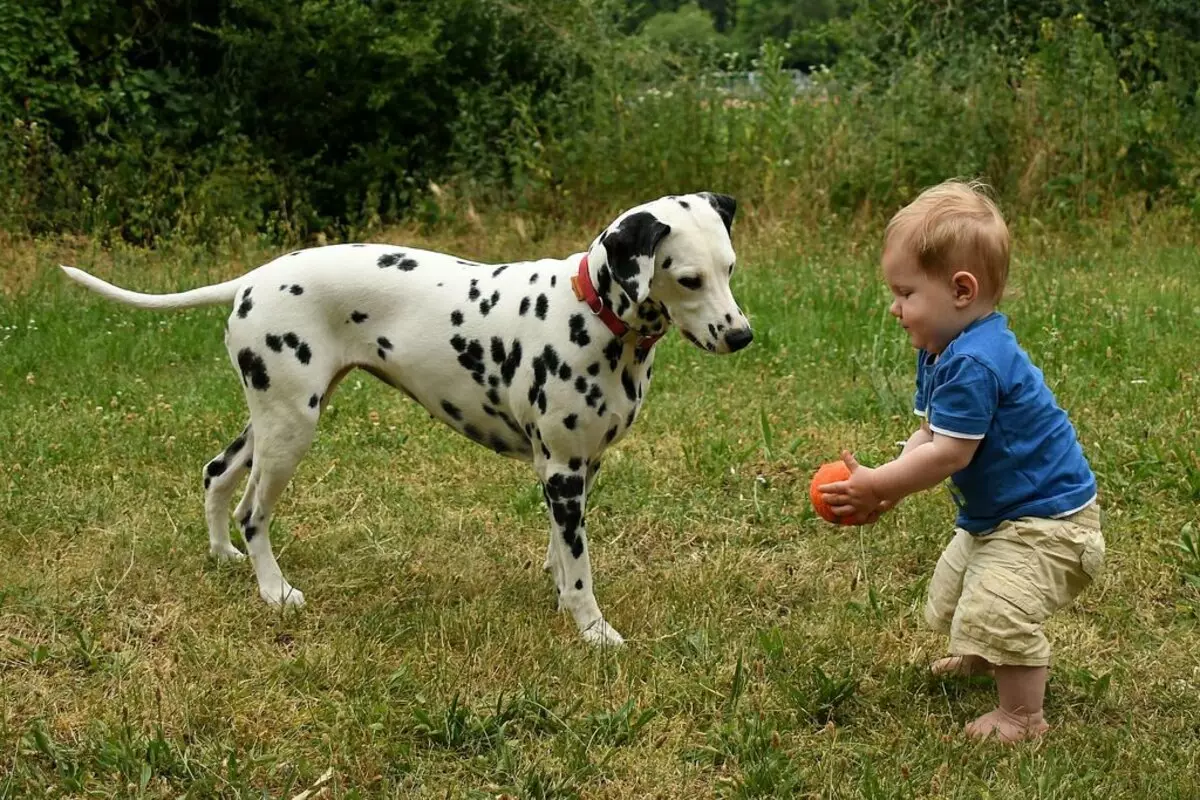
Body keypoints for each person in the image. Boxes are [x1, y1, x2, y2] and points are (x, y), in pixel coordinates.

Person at [819, 180, 1104, 742]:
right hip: (1002, 516)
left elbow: (951, 453)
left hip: (1051, 525)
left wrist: (880, 484)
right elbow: (930, 434)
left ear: (961, 290)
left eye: (905, 293)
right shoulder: (943, 350)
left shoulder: (977, 362)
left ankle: (1023, 715)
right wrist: (888, 486)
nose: (894, 308)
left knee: (999, 603)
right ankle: (983, 653)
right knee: (954, 591)